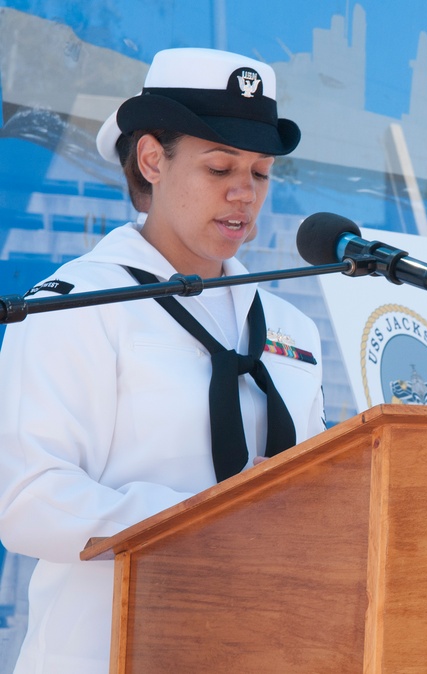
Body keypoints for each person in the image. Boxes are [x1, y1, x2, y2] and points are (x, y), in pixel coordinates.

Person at [0, 48, 326, 673]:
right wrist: (212, 519)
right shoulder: (80, 304)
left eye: (260, 173)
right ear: (152, 159)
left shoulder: (291, 327)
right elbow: (29, 500)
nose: (244, 193)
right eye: (220, 167)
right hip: (108, 655)